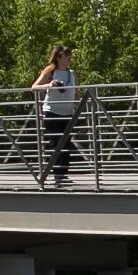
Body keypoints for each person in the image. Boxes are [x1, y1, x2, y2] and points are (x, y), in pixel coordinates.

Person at [32, 45, 78, 186]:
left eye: (69, 56)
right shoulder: (50, 71)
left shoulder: (72, 73)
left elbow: (76, 93)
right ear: (58, 57)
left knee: (66, 143)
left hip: (68, 112)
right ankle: (57, 174)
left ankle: (63, 174)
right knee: (55, 143)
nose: (68, 59)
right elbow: (34, 86)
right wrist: (50, 85)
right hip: (52, 111)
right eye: (66, 56)